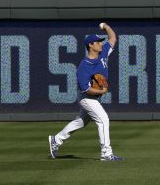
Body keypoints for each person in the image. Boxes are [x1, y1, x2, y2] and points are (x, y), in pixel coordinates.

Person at [48, 23, 123, 161]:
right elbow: (86, 89)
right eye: (98, 42)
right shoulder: (84, 66)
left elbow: (112, 38)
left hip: (94, 97)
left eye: (101, 42)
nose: (101, 44)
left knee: (81, 122)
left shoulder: (103, 53)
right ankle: (106, 153)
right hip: (86, 97)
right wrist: (102, 90)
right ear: (91, 45)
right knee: (103, 119)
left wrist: (105, 26)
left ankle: (56, 139)